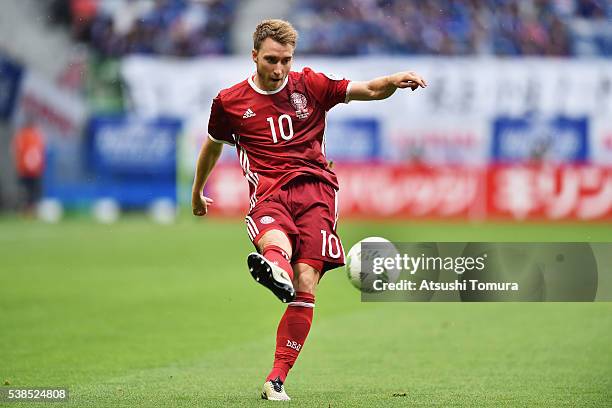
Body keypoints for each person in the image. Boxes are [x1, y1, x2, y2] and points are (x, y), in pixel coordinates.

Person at [191, 19, 426, 401]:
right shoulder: (230, 102)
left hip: (317, 193)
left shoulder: (310, 85)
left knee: (305, 281)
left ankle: (276, 378)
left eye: (285, 60)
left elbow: (365, 89)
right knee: (275, 240)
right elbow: (214, 144)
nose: (279, 69)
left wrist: (393, 79)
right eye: (271, 60)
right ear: (254, 56)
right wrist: (197, 190)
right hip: (269, 191)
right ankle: (274, 269)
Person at [13, 119, 46, 214]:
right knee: (32, 191)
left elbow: (17, 152)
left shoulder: (22, 136)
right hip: (34, 170)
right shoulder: (36, 136)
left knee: (26, 191)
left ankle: (27, 209)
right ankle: (30, 210)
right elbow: (40, 153)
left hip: (24, 170)